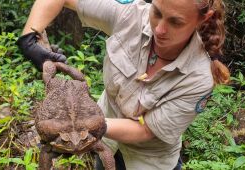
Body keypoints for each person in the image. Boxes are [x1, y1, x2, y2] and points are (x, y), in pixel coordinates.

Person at [16, 0, 230, 169]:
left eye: (176, 22)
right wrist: (29, 40)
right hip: (106, 144)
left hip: (148, 161)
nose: (160, 29)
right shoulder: (131, 15)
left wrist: (88, 126)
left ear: (203, 19)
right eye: (156, 12)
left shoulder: (199, 77)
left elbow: (147, 131)